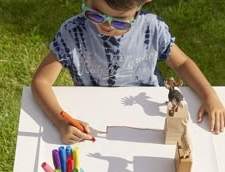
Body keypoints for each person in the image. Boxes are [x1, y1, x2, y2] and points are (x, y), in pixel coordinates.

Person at [31, 0, 225, 144]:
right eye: (96, 14)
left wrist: (210, 95)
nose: (106, 26)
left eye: (120, 22)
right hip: (96, 118)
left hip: (149, 118)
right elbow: (41, 81)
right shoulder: (73, 32)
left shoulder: (152, 27)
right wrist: (61, 122)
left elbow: (182, 63)